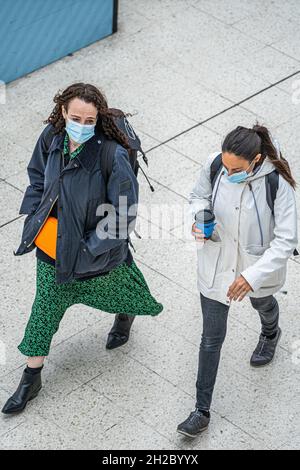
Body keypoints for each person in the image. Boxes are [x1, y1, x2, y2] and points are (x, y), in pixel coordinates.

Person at [2, 83, 163, 415]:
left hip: (96, 256)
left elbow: (123, 213)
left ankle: (126, 312)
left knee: (121, 290)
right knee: (44, 309)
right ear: (63, 112)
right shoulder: (50, 137)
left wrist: (89, 249)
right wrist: (36, 214)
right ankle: (31, 377)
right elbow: (36, 176)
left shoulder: (111, 155)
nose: (82, 125)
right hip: (52, 248)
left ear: (97, 118)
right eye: (76, 117)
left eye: (90, 120)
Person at [177, 124, 298, 438]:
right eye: (226, 166)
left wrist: (251, 275)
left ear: (256, 160)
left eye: (237, 169)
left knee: (263, 303)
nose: (228, 173)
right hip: (217, 264)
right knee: (211, 338)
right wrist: (200, 216)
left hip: (256, 266)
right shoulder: (215, 163)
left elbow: (285, 241)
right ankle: (201, 411)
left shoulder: (277, 183)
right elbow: (197, 195)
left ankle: (271, 333)